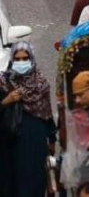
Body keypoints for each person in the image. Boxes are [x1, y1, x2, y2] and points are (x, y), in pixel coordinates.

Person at [0, 42, 57, 197]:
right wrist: (7, 100)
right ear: (11, 60)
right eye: (17, 59)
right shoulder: (3, 83)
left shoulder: (41, 84)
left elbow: (47, 113)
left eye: (25, 58)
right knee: (10, 184)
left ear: (31, 59)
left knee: (33, 183)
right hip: (9, 143)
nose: (21, 62)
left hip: (35, 142)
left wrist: (52, 139)